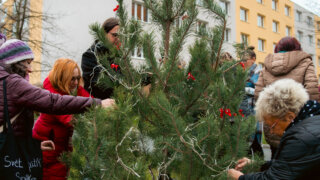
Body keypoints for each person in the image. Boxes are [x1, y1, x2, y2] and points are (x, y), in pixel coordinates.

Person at [0, 34, 115, 177]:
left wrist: (34, 146)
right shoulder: (13, 83)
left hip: (23, 150)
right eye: (27, 63)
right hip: (25, 157)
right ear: (14, 62)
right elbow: (56, 104)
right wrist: (98, 104)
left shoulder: (6, 81)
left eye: (77, 78)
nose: (30, 69)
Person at [228, 79, 320, 180]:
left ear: (289, 117)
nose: (272, 131)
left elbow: (276, 178)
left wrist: (240, 177)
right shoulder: (312, 120)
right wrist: (259, 164)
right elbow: (290, 164)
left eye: (272, 125)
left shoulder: (300, 138)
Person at [32, 59, 94, 179]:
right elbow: (68, 119)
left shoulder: (71, 89)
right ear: (62, 77)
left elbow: (88, 100)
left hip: (61, 149)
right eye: (72, 78)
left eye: (78, 78)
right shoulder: (51, 95)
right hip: (49, 150)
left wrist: (102, 106)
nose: (76, 82)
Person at [255, 36, 319, 102]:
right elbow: (312, 89)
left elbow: (258, 93)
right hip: (298, 108)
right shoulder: (306, 62)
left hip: (272, 109)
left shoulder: (267, 65)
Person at [81, 17, 120, 99]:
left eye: (121, 36)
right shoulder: (90, 56)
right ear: (103, 34)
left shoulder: (118, 58)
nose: (118, 39)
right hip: (97, 107)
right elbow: (99, 85)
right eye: (114, 35)